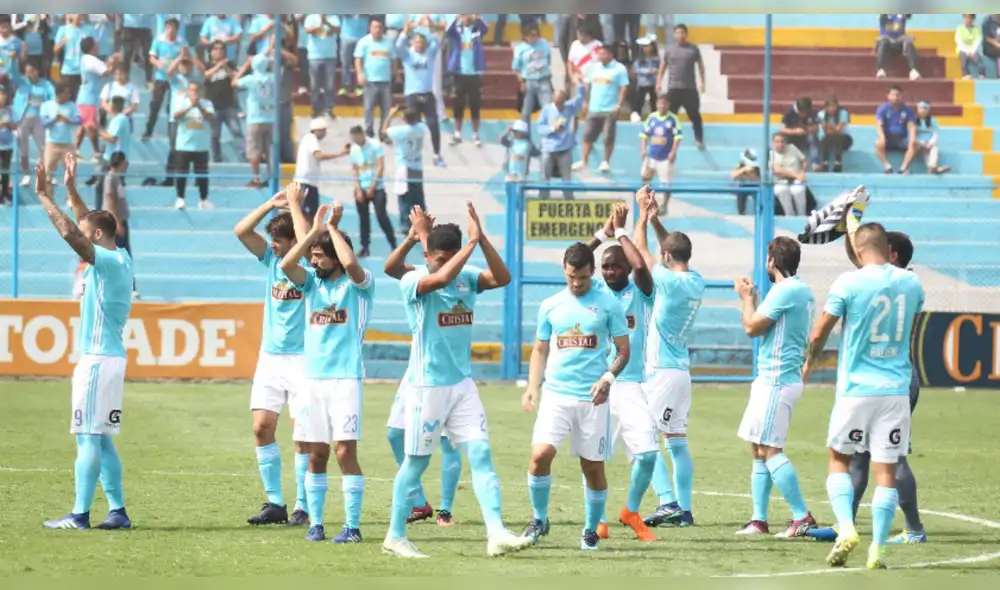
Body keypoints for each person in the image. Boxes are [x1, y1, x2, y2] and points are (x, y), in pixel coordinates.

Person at [382, 202, 532, 559]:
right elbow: (441, 278)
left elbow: (503, 278)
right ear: (427, 255)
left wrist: (481, 242)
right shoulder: (415, 280)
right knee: (416, 463)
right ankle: (395, 535)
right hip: (427, 386)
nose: (448, 264)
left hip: (462, 385)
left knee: (480, 453)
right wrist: (467, 245)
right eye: (440, 258)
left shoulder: (467, 274)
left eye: (453, 257)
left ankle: (496, 533)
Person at [803, 221, 925, 570]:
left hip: (856, 388)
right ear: (888, 248)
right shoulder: (912, 282)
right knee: (885, 470)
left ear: (857, 250)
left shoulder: (848, 282)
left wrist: (810, 362)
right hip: (896, 389)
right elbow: (910, 326)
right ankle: (879, 550)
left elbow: (818, 332)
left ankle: (846, 530)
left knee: (839, 458)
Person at [34, 157, 134, 532]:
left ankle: (78, 515)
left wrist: (45, 196)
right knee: (102, 440)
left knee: (87, 436)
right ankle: (118, 511)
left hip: (97, 361)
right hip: (108, 359)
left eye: (85, 231)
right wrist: (73, 189)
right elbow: (86, 225)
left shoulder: (105, 262)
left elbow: (71, 233)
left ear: (94, 237)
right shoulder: (120, 256)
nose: (80, 231)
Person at [520, 239, 630, 551]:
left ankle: (590, 529)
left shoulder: (609, 305)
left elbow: (624, 350)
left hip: (593, 398)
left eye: (582, 277)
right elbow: (540, 348)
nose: (577, 283)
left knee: (592, 467)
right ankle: (540, 519)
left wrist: (608, 378)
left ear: (592, 272)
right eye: (571, 277)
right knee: (540, 455)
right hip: (556, 394)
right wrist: (532, 386)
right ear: (564, 272)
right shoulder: (551, 305)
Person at [277, 200, 372, 544]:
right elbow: (288, 264)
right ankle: (316, 523)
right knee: (316, 453)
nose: (313, 262)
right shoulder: (312, 285)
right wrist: (314, 234)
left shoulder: (359, 286)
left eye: (319, 256)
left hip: (346, 378)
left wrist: (331, 227)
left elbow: (350, 263)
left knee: (344, 452)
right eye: (313, 256)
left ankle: (353, 526)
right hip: (312, 379)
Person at [232, 182, 311, 528]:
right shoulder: (271, 262)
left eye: (280, 241)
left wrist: (295, 207)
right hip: (270, 358)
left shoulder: (309, 269)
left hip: (304, 360)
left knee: (301, 434)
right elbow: (241, 231)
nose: (274, 246)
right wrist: (271, 203)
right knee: (262, 427)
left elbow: (307, 242)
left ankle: (304, 505)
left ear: (295, 242)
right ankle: (275, 503)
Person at [580, 202, 658, 542]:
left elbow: (640, 263)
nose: (609, 272)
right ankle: (595, 521)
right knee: (592, 458)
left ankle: (630, 511)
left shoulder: (640, 291)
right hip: (598, 385)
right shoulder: (592, 291)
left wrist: (624, 231)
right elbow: (576, 257)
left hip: (630, 384)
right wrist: (603, 233)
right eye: (605, 267)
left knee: (648, 454)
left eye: (615, 267)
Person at [382, 206, 464, 527]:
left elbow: (441, 277)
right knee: (394, 434)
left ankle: (445, 510)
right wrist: (412, 237)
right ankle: (418, 502)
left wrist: (425, 236)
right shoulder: (424, 272)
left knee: (448, 441)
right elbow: (391, 268)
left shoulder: (459, 280)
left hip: (448, 372)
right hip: (418, 369)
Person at [732, 237, 818, 538]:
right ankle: (758, 520)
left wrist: (745, 297)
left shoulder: (785, 290)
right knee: (758, 448)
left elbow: (751, 327)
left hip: (777, 380)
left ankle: (801, 516)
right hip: (775, 379)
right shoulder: (802, 291)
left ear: (772, 262)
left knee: (769, 450)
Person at [633, 188, 704, 529]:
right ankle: (685, 511)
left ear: (666, 255)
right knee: (676, 442)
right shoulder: (695, 280)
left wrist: (640, 219)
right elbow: (666, 249)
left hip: (661, 370)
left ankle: (667, 502)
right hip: (681, 372)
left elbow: (642, 256)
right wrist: (656, 219)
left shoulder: (666, 281)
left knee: (643, 439)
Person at [396, 20, 444, 167]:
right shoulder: (408, 55)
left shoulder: (429, 54)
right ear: (413, 43)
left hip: (428, 94)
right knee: (412, 126)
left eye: (422, 43)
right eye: (417, 42)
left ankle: (437, 155)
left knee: (433, 125)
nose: (419, 45)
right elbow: (398, 46)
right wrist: (405, 31)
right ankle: (410, 155)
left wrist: (432, 27)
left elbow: (437, 41)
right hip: (412, 95)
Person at [575, 44, 629, 173]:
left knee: (608, 137)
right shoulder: (593, 67)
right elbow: (588, 85)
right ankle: (584, 160)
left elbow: (624, 87)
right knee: (587, 135)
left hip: (609, 108)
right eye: (599, 53)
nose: (600, 56)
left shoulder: (619, 68)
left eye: (603, 53)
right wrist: (585, 102)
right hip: (594, 107)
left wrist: (619, 105)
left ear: (610, 54)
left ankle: (606, 162)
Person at [349, 125, 396, 256]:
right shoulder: (354, 149)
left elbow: (381, 167)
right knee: (363, 218)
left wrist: (373, 186)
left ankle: (393, 244)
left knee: (382, 216)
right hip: (362, 187)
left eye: (357, 138)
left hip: (377, 187)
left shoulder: (375, 145)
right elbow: (355, 170)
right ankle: (365, 247)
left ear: (362, 134)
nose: (356, 141)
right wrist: (357, 189)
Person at [382, 105, 428, 234]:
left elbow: (384, 131)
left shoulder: (401, 131)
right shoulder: (421, 128)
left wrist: (390, 114)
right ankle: (423, 223)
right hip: (417, 166)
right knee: (418, 198)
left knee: (404, 198)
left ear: (404, 118)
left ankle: (405, 226)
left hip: (404, 167)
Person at [658, 24, 705, 148]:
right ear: (674, 35)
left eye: (682, 33)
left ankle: (699, 139)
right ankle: (666, 138)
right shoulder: (669, 49)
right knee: (669, 115)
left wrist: (702, 82)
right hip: (673, 88)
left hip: (690, 88)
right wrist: (658, 82)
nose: (680, 35)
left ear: (686, 34)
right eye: (678, 33)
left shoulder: (693, 49)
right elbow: (663, 67)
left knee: (694, 115)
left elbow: (701, 66)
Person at [294, 117, 350, 221]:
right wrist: (340, 154)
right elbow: (319, 156)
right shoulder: (311, 138)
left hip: (310, 182)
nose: (325, 133)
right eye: (324, 130)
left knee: (311, 215)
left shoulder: (310, 140)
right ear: (319, 130)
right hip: (305, 182)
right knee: (305, 216)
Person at [234, 54, 277, 188]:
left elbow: (234, 82)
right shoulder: (274, 78)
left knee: (254, 149)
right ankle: (272, 177)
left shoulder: (250, 79)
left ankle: (256, 178)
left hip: (255, 118)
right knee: (269, 150)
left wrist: (245, 66)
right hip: (270, 117)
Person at [446, 14, 488, 146]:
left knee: (475, 106)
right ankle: (457, 133)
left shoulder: (477, 32)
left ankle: (476, 135)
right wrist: (456, 17)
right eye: (464, 15)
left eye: (468, 15)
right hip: (459, 74)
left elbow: (485, 29)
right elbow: (448, 30)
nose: (466, 17)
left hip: (474, 74)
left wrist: (477, 17)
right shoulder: (457, 32)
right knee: (458, 105)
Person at [172, 82, 215, 210]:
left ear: (201, 91)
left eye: (196, 90)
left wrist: (199, 107)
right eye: (191, 90)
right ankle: (180, 198)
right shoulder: (181, 102)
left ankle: (203, 199)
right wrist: (190, 106)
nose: (194, 93)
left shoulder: (207, 104)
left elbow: (210, 117)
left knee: (202, 174)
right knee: (181, 173)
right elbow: (175, 116)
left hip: (201, 146)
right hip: (184, 145)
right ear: (188, 91)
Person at [145, 17, 188, 142]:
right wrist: (159, 65)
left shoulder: (181, 42)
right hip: (161, 77)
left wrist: (174, 64)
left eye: (172, 27)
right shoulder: (158, 40)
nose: (169, 30)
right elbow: (152, 57)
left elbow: (184, 56)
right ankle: (148, 131)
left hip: (175, 79)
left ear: (176, 29)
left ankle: (172, 135)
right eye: (167, 27)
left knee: (172, 107)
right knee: (155, 104)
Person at [537, 87, 584, 201]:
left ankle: (568, 199)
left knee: (566, 177)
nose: (559, 105)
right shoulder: (547, 110)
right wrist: (553, 129)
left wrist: (581, 84)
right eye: (557, 102)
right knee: (544, 176)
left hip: (565, 148)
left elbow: (580, 99)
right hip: (548, 148)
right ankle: (543, 199)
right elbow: (540, 129)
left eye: (561, 102)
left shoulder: (569, 108)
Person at [13, 62, 54, 187]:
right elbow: (13, 72)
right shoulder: (22, 82)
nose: (28, 74)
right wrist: (14, 59)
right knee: (23, 150)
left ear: (36, 71)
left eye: (30, 71)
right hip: (23, 118)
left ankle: (44, 174)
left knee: (43, 147)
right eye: (26, 72)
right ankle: (26, 174)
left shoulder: (46, 84)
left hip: (39, 119)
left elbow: (53, 98)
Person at [203, 41, 244, 163]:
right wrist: (218, 66)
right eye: (215, 49)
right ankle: (216, 158)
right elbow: (205, 76)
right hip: (212, 106)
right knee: (214, 134)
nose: (219, 51)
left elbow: (236, 79)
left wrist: (225, 67)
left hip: (229, 105)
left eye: (221, 49)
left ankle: (245, 155)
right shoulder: (207, 65)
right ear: (210, 52)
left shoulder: (230, 65)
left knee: (236, 131)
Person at [639, 94, 682, 210]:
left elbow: (678, 136)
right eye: (660, 103)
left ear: (668, 105)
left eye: (664, 103)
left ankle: (665, 205)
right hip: (651, 155)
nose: (661, 106)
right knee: (645, 177)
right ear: (657, 104)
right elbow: (644, 134)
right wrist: (643, 149)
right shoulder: (651, 117)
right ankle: (647, 202)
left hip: (665, 157)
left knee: (666, 183)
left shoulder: (673, 119)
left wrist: (673, 152)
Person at [354, 19, 394, 139]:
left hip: (385, 81)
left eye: (380, 27)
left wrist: (395, 73)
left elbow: (394, 59)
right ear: (370, 27)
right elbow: (358, 59)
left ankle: (384, 133)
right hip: (370, 81)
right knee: (368, 108)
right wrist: (360, 74)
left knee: (386, 109)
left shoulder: (389, 42)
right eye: (375, 27)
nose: (378, 30)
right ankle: (369, 132)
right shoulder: (364, 42)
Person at [39, 81, 82, 191]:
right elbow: (44, 123)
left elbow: (78, 120)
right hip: (52, 144)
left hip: (67, 144)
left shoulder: (72, 106)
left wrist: (68, 120)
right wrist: (54, 119)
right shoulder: (47, 105)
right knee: (47, 172)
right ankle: (48, 199)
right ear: (59, 93)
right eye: (66, 93)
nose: (69, 96)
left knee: (70, 172)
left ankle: (71, 200)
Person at [512, 23, 553, 128]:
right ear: (525, 36)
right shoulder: (520, 49)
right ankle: (525, 137)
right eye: (532, 35)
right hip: (529, 82)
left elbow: (548, 58)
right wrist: (522, 82)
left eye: (536, 35)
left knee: (548, 108)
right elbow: (516, 68)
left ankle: (548, 136)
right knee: (526, 111)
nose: (535, 37)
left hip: (543, 80)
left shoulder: (543, 43)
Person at [303, 14, 340, 118]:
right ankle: (315, 108)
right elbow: (307, 30)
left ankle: (329, 108)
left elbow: (337, 29)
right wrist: (320, 24)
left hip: (330, 55)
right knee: (315, 85)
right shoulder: (311, 17)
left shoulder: (334, 17)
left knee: (330, 84)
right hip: (315, 55)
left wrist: (327, 22)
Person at [874, 85, 917, 175]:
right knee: (877, 144)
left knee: (916, 144)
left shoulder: (907, 110)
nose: (895, 97)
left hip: (902, 139)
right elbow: (879, 125)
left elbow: (911, 126)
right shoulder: (883, 109)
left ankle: (903, 168)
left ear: (901, 96)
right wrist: (882, 137)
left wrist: (912, 138)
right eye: (893, 95)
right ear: (888, 96)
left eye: (898, 95)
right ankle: (887, 167)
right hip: (888, 139)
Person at [771, 133, 808, 217]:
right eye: (777, 142)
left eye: (782, 141)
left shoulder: (792, 148)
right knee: (781, 189)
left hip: (796, 180)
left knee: (798, 190)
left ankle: (801, 216)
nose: (780, 144)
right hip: (781, 181)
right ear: (773, 143)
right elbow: (777, 170)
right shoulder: (771, 153)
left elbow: (804, 161)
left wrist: (802, 172)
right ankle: (790, 215)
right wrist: (797, 175)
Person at [876, 14, 920, 80]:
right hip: (887, 39)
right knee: (883, 41)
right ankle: (880, 70)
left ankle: (913, 70)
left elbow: (908, 16)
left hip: (899, 39)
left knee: (908, 41)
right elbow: (882, 19)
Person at [913, 101, 951, 175]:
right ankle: (935, 168)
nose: (923, 110)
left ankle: (932, 167)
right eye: (921, 108)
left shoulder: (932, 121)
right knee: (923, 151)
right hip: (918, 143)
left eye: (925, 108)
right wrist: (921, 142)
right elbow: (911, 135)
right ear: (918, 109)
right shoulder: (914, 121)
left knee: (934, 147)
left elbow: (936, 133)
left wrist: (930, 143)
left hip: (929, 142)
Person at [817, 96, 852, 173]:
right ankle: (824, 163)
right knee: (825, 139)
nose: (832, 108)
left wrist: (828, 126)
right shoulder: (821, 114)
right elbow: (826, 131)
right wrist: (829, 128)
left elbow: (838, 129)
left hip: (845, 138)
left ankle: (838, 163)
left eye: (834, 106)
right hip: (829, 138)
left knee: (837, 137)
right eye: (829, 106)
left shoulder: (843, 113)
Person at [630, 37, 660, 122]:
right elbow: (636, 70)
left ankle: (655, 117)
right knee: (639, 100)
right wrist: (647, 71)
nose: (645, 48)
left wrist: (656, 71)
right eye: (643, 46)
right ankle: (636, 115)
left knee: (654, 101)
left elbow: (660, 68)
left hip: (653, 83)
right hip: (643, 83)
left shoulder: (656, 58)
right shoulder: (639, 59)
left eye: (647, 46)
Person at [956, 14, 985, 80]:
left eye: (970, 18)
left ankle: (982, 73)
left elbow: (977, 41)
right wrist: (967, 51)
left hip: (973, 50)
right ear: (963, 19)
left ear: (973, 20)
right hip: (962, 49)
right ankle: (965, 74)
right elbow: (959, 42)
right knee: (963, 60)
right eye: (966, 18)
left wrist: (972, 51)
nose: (968, 20)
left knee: (978, 60)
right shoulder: (960, 29)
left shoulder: (976, 30)